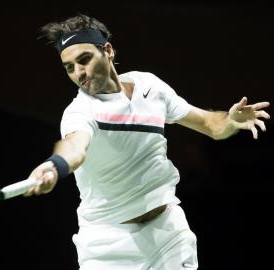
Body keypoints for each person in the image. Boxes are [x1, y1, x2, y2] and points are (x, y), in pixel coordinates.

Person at [24, 14, 270, 269]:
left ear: (107, 50)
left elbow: (211, 125)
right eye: (69, 67)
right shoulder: (80, 112)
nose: (79, 74)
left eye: (84, 60)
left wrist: (230, 119)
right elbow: (75, 147)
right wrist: (54, 166)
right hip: (107, 245)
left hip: (168, 234)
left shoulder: (149, 86)